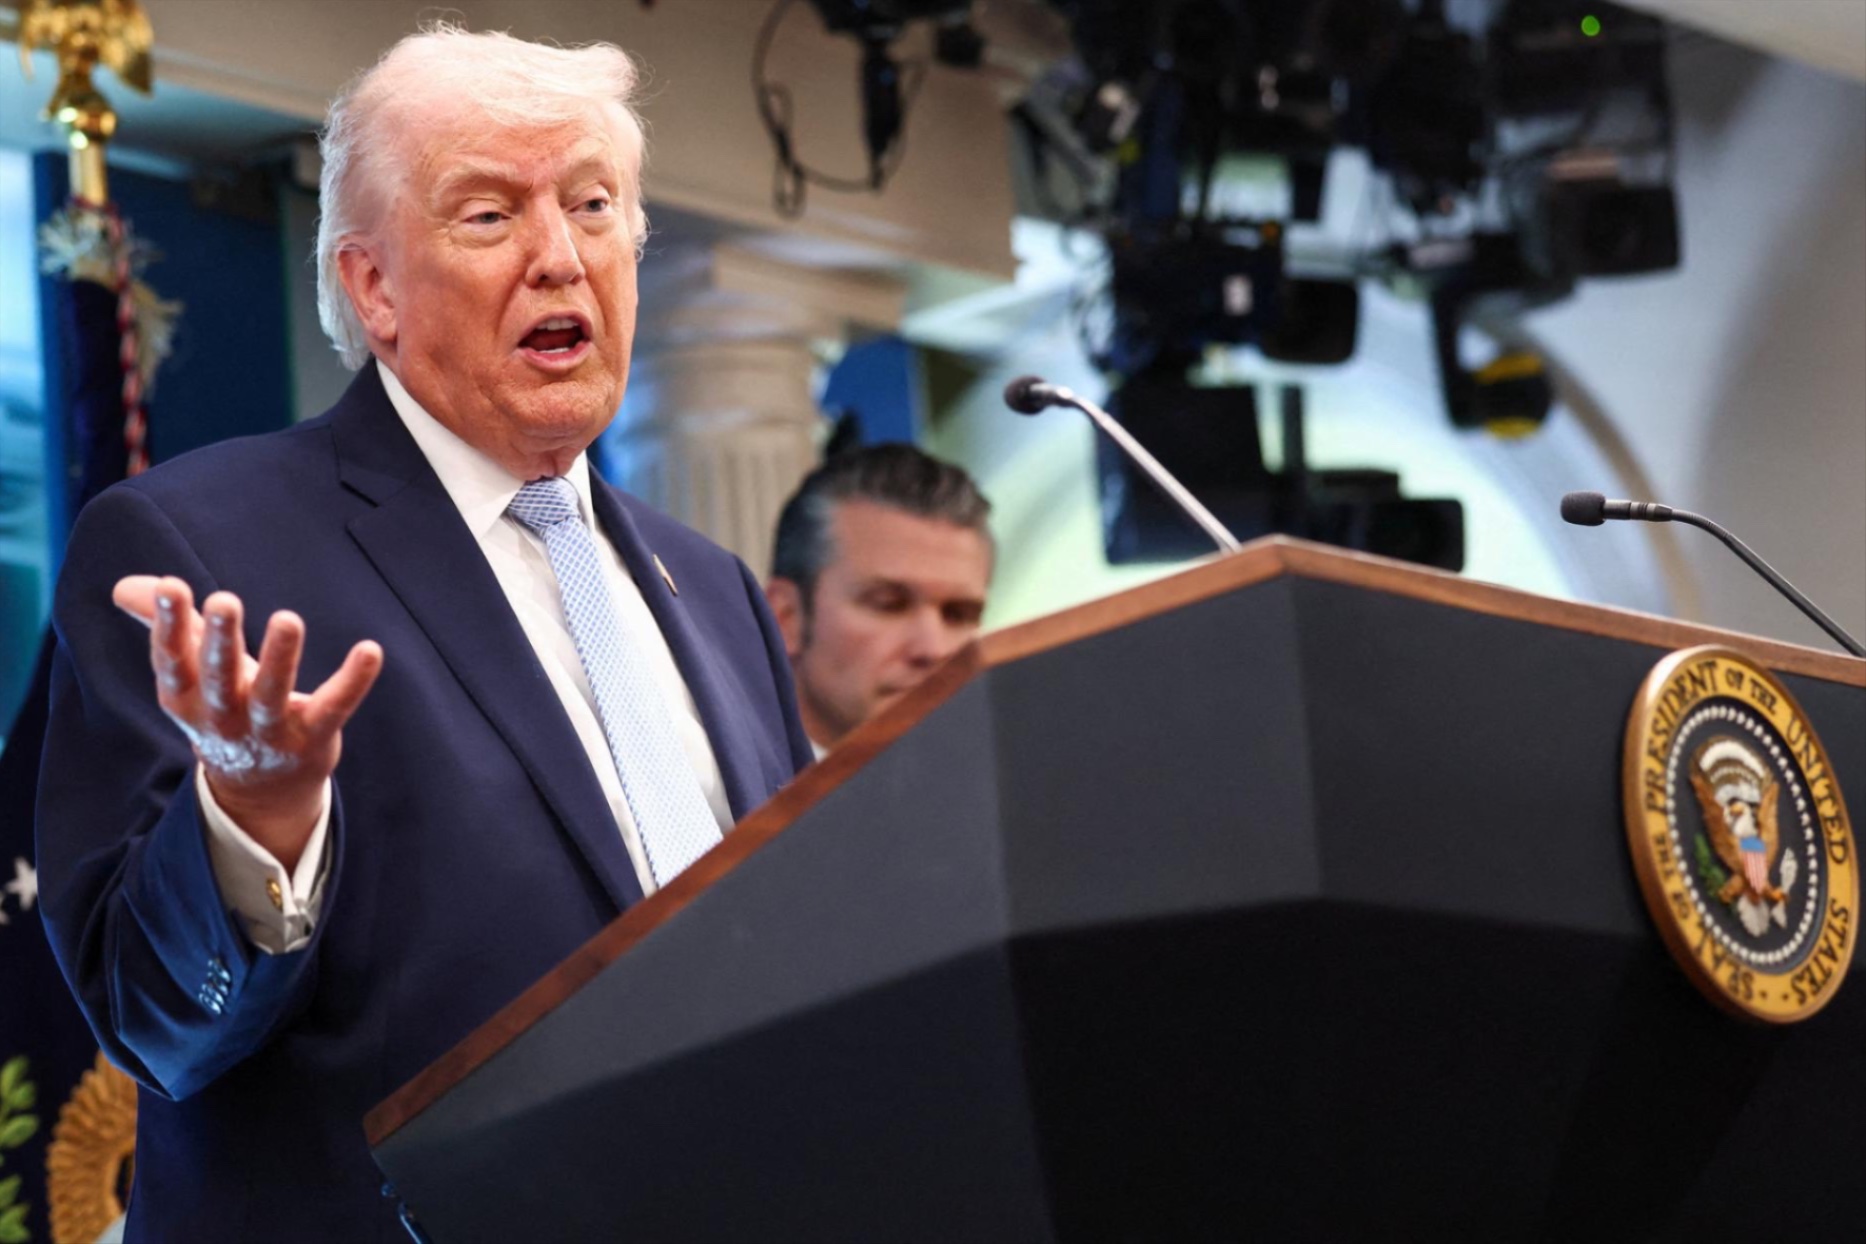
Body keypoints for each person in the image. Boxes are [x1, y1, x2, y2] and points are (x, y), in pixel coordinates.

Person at [36, 25, 813, 1242]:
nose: (561, 257)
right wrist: (253, 822)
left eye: (594, 206)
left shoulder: (712, 587)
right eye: (490, 216)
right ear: (374, 286)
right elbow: (152, 1019)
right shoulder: (197, 544)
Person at [766, 444, 993, 755]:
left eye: (958, 614)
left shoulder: (1019, 792)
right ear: (785, 616)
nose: (933, 649)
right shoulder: (712, 794)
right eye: (889, 604)